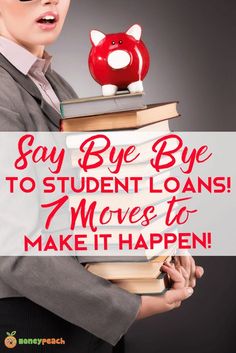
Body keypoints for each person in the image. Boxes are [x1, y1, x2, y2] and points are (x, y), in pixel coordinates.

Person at [0, 1, 204, 352]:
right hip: (30, 323)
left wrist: (160, 252)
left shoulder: (55, 84)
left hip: (83, 315)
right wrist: (128, 307)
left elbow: (94, 201)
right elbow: (11, 246)